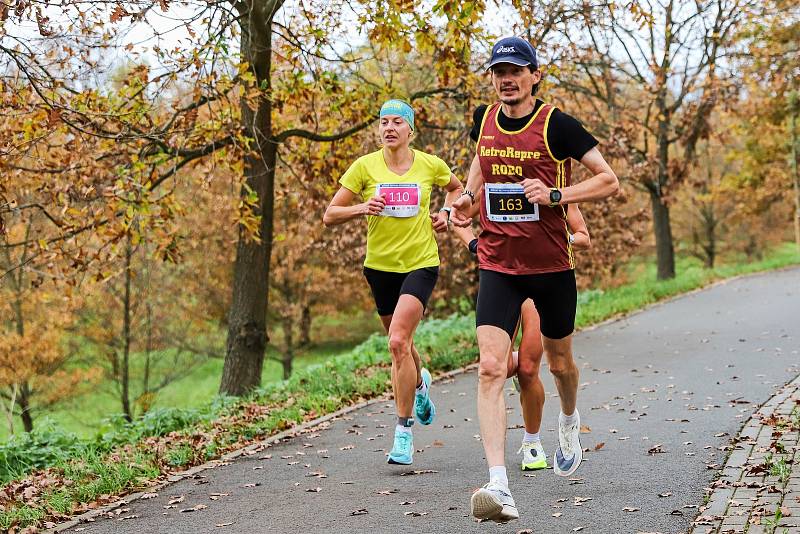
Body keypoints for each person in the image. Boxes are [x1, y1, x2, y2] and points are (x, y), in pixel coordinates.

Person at [449, 36, 619, 522]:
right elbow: (482, 163)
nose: (507, 79)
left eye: (516, 71)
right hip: (499, 265)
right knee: (488, 367)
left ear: (534, 76)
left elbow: (609, 180)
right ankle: (499, 487)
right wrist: (465, 198)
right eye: (499, 72)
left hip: (550, 268)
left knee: (561, 363)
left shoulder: (556, 125)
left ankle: (568, 419)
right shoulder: (483, 119)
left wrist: (556, 195)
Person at [323, 99, 463, 466]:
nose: (389, 128)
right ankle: (420, 385)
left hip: (420, 263)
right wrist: (360, 207)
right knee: (402, 345)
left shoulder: (430, 164)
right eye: (384, 122)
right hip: (380, 268)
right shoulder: (364, 167)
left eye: (397, 122)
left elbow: (457, 189)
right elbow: (330, 214)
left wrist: (446, 213)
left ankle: (402, 433)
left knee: (398, 341)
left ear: (409, 130)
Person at [452, 196, 591, 472]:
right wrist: (473, 243)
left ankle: (534, 440)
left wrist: (561, 240)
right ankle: (498, 479)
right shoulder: (493, 185)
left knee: (534, 367)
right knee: (495, 368)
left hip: (544, 275)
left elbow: (584, 237)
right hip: (505, 275)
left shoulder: (553, 189)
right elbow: (455, 216)